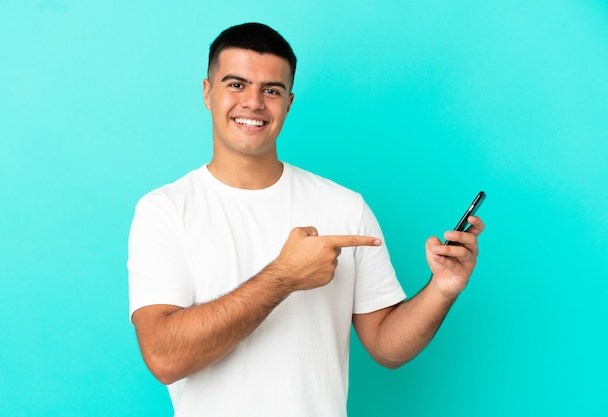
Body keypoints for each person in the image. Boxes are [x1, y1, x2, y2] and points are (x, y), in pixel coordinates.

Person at [128, 22, 485, 417]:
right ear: (207, 93)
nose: (253, 102)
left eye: (272, 90)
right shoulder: (164, 209)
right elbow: (164, 357)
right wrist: (283, 276)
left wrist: (442, 289)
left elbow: (386, 345)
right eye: (236, 85)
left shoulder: (344, 206)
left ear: (289, 103)